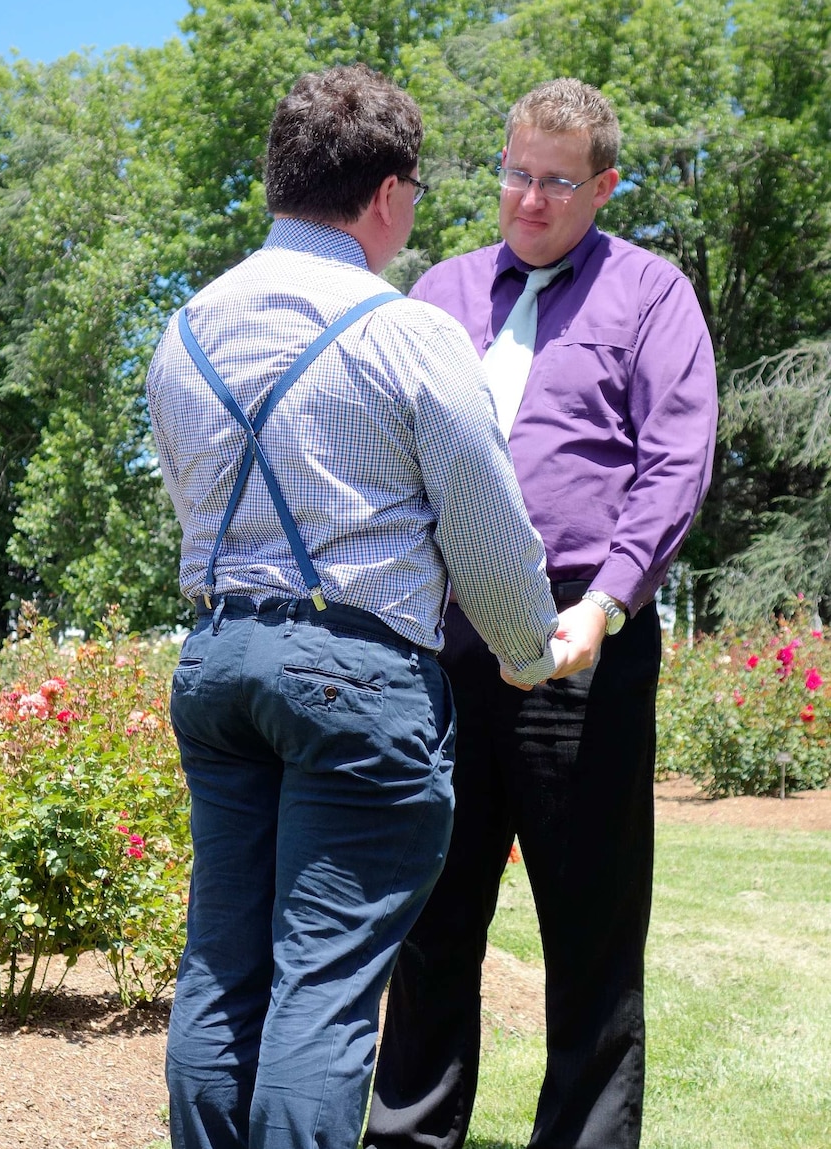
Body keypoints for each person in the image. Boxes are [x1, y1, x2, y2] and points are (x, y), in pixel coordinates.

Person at [146, 64, 589, 1149]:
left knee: (221, 966)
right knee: (325, 986)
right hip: (354, 681)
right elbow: (490, 539)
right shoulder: (407, 333)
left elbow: (189, 502)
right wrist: (536, 649)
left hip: (217, 666)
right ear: (387, 193)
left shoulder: (185, 332)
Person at [365, 78, 718, 1149]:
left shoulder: (651, 295)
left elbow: (675, 462)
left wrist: (607, 603)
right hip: (447, 638)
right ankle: (410, 1137)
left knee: (591, 930)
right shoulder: (437, 295)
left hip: (583, 639)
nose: (528, 199)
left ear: (604, 185)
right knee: (431, 919)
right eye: (516, 173)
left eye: (557, 181)